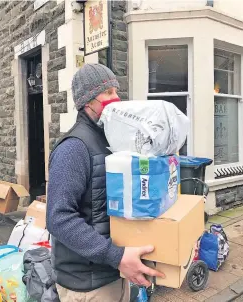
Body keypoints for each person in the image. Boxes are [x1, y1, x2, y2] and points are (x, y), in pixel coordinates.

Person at [47, 63, 165, 302]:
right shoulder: (73, 148)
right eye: (109, 92)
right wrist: (115, 255)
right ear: (88, 100)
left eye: (116, 91)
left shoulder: (108, 140)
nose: (117, 98)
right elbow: (58, 218)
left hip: (112, 271)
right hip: (87, 284)